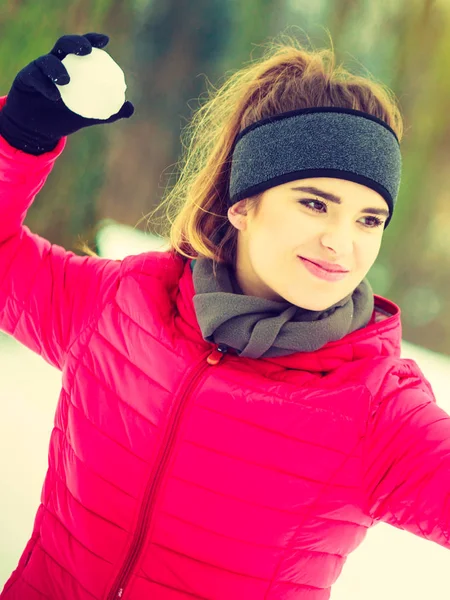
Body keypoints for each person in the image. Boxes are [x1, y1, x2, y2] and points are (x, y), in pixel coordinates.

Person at [0, 31, 449, 600]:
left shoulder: (376, 409)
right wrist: (18, 139)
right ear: (243, 203)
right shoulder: (121, 306)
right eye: (315, 203)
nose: (342, 242)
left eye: (369, 219)